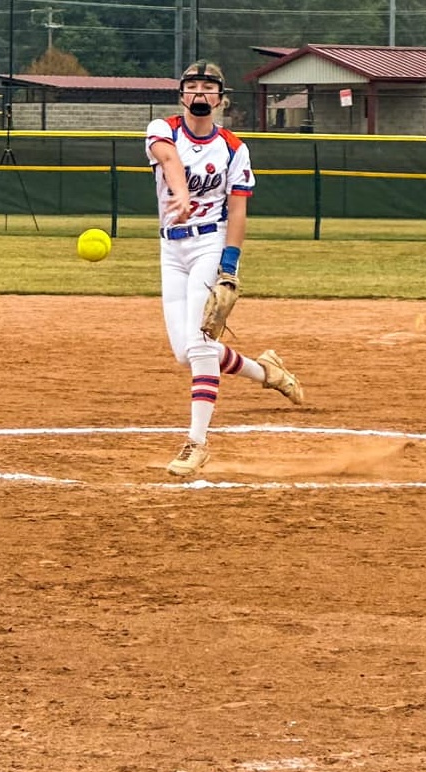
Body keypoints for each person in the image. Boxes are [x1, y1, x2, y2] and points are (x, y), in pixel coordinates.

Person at [145, 60, 305, 477]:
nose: (200, 94)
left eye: (208, 87)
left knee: (200, 347)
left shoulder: (234, 147)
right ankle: (266, 370)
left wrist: (228, 267)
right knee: (186, 352)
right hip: (171, 251)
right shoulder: (162, 129)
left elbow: (237, 210)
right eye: (192, 87)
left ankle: (196, 444)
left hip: (209, 244)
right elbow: (170, 161)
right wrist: (179, 194)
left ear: (221, 97)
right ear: (181, 95)